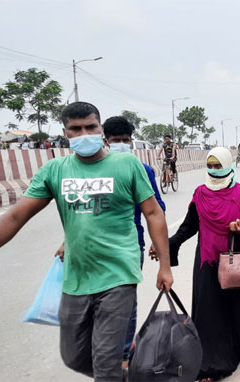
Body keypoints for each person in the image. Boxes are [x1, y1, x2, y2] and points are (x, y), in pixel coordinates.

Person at [0, 102, 173, 381]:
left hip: (119, 274)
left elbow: (154, 212)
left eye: (90, 127)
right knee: (73, 356)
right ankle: (135, 376)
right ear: (65, 133)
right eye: (76, 129)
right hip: (76, 277)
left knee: (107, 365)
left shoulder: (127, 164)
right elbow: (15, 216)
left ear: (101, 130)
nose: (84, 133)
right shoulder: (55, 170)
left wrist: (165, 266)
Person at [152, 147, 240, 381]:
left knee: (238, 308)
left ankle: (239, 348)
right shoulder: (201, 194)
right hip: (208, 261)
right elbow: (188, 227)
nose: (215, 171)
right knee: (209, 314)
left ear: (228, 164)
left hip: (235, 261)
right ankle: (213, 364)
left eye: (219, 166)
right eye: (211, 166)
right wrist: (165, 244)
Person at [102, 116, 166, 364]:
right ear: (105, 141)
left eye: (125, 140)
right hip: (95, 249)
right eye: (115, 140)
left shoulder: (143, 170)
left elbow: (155, 210)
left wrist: (157, 243)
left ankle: (125, 356)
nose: (120, 144)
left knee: (125, 303)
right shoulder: (93, 171)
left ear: (132, 143)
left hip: (130, 246)